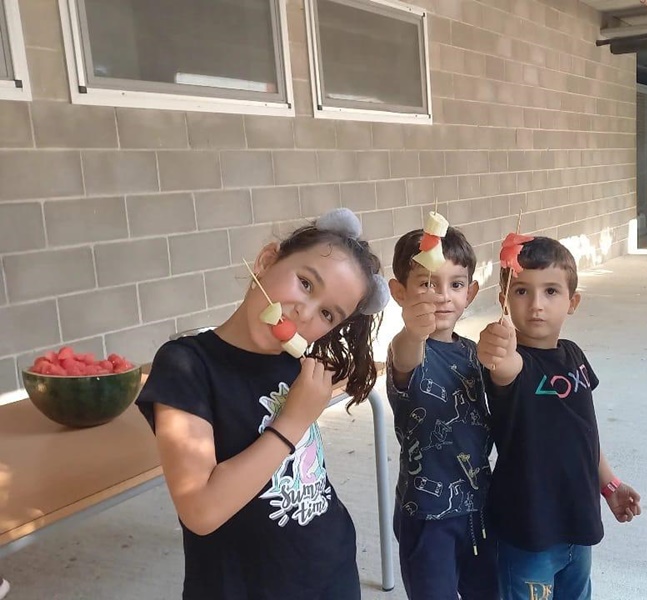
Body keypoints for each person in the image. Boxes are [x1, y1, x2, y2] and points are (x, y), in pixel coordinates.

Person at [136, 208, 390, 600]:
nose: (304, 313)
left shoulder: (296, 365)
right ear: (267, 260)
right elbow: (200, 511)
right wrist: (293, 421)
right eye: (305, 283)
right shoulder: (186, 364)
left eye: (327, 314)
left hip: (333, 572)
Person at [476, 236, 641, 600]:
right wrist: (496, 348)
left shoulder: (574, 355)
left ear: (572, 302)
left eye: (551, 291)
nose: (536, 304)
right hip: (528, 531)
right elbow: (503, 366)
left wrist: (610, 485)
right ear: (504, 300)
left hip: (577, 524)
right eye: (521, 291)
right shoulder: (513, 365)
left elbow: (585, 434)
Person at [386, 227, 498, 599]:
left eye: (455, 284)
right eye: (427, 284)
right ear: (399, 292)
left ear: (471, 292)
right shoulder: (406, 349)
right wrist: (412, 331)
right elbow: (406, 356)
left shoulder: (473, 352)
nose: (442, 296)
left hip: (479, 507)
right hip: (427, 515)